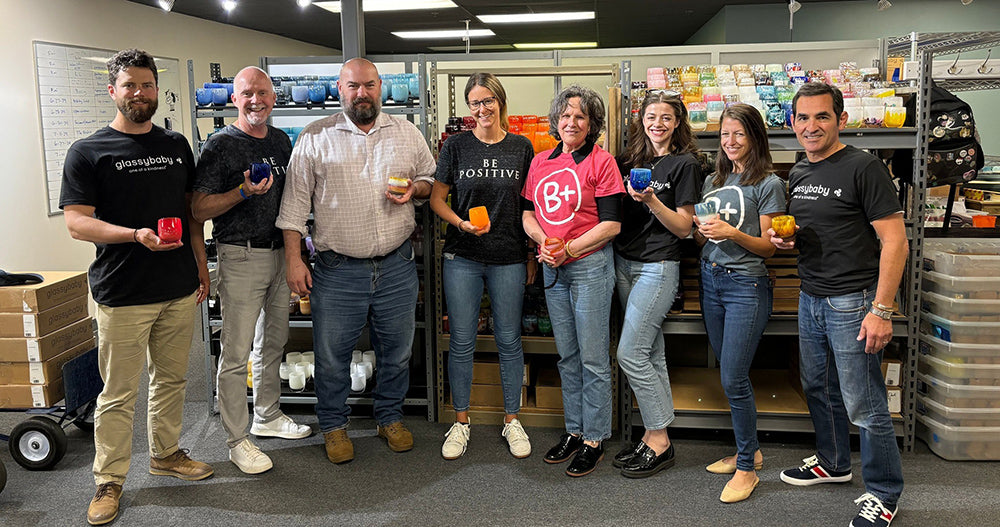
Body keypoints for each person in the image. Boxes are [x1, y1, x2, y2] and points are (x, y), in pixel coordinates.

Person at [60, 49, 212, 526]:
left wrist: (201, 265)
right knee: (119, 391)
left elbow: (189, 213)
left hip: (176, 286)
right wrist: (133, 236)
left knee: (172, 380)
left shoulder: (175, 144)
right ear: (113, 91)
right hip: (122, 292)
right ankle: (109, 480)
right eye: (130, 86)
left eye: (147, 85)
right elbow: (77, 224)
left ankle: (165, 453)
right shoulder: (88, 152)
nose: (140, 94)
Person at [276, 58, 436, 465]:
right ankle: (333, 426)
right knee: (333, 357)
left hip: (397, 266)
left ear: (380, 86)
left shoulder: (405, 131)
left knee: (397, 351)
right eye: (353, 86)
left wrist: (415, 188)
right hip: (337, 270)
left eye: (369, 85)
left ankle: (389, 418)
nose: (361, 93)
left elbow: (431, 180)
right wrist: (294, 262)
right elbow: (293, 209)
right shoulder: (315, 138)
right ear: (340, 88)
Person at [770, 82, 906, 527]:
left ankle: (884, 494)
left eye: (822, 116)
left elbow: (895, 241)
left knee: (864, 402)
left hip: (854, 301)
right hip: (812, 296)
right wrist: (784, 241)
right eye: (803, 118)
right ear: (792, 124)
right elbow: (812, 234)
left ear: (841, 120)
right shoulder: (800, 172)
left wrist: (881, 309)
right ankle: (833, 462)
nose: (811, 126)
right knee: (818, 387)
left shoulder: (864, 167)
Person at [192, 66, 312, 476]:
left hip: (281, 253)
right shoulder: (219, 145)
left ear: (274, 97)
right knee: (236, 351)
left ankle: (267, 414)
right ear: (233, 99)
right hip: (240, 255)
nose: (256, 100)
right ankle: (236, 440)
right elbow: (198, 208)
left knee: (273, 343)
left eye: (262, 92)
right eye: (247, 93)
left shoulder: (280, 141)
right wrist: (242, 191)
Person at [430, 73, 537, 460]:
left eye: (488, 101)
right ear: (468, 108)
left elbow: (529, 208)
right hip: (463, 257)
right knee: (461, 342)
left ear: (500, 102)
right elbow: (437, 199)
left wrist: (528, 255)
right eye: (474, 103)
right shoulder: (456, 146)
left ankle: (512, 419)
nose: (482, 109)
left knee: (509, 340)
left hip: (508, 256)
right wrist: (459, 223)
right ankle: (461, 422)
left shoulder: (521, 147)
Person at [522, 85, 624, 477]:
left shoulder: (602, 162)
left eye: (580, 117)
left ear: (592, 124)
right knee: (567, 354)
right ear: (556, 121)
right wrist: (543, 242)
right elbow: (529, 214)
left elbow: (611, 224)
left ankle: (595, 438)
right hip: (553, 266)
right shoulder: (541, 162)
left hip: (589, 268)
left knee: (594, 358)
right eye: (565, 116)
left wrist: (568, 248)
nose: (571, 122)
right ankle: (575, 429)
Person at [695, 103, 786, 503]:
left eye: (739, 134)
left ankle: (747, 469)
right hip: (710, 280)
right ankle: (750, 451)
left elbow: (769, 248)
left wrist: (731, 232)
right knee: (729, 373)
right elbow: (703, 237)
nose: (731, 142)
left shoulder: (769, 183)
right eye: (725, 134)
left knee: (733, 376)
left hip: (746, 286)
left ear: (755, 137)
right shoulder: (714, 179)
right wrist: (702, 231)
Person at [611, 92, 700, 479]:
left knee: (629, 354)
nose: (658, 123)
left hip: (659, 267)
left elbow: (684, 228)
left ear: (677, 122)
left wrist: (650, 201)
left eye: (666, 117)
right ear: (641, 120)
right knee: (651, 354)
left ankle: (660, 439)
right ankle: (652, 435)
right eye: (651, 116)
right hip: (624, 262)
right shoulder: (630, 161)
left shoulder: (686, 165)